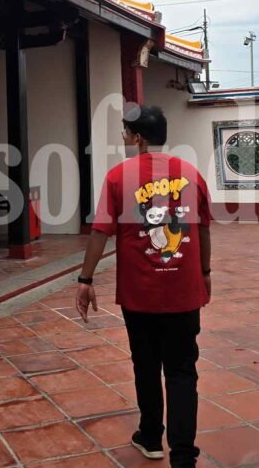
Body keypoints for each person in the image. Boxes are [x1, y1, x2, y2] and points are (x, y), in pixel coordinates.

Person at [76, 104, 212, 467]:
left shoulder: (119, 177)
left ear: (138, 137)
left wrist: (85, 279)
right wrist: (206, 272)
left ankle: (151, 436)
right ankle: (183, 457)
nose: (124, 138)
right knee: (183, 370)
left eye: (125, 132)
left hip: (140, 296)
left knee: (146, 365)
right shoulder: (192, 174)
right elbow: (203, 228)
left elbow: (100, 232)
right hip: (184, 292)